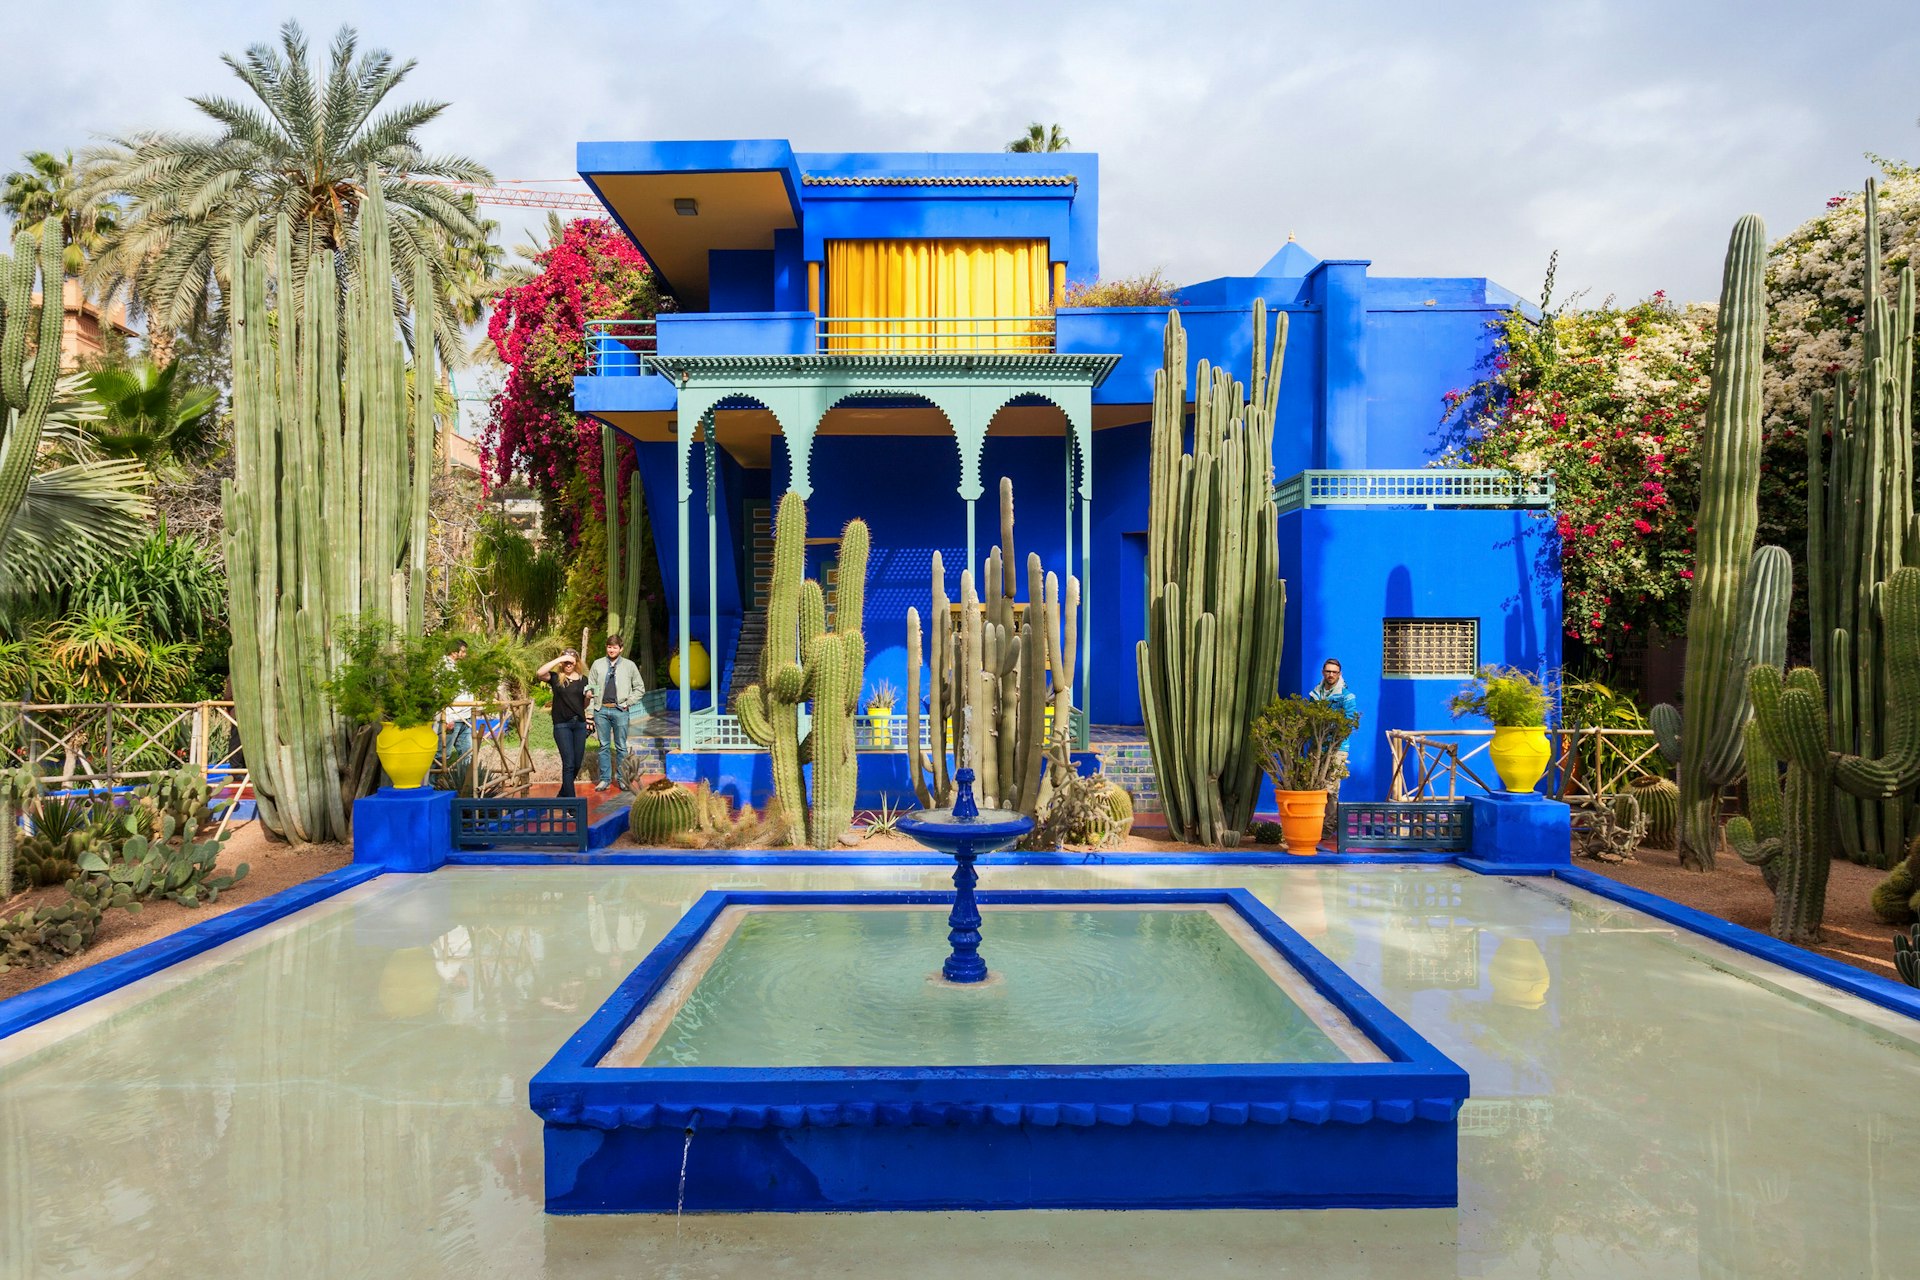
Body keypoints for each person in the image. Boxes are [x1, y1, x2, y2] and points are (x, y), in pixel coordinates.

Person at [1307, 658, 1361, 836]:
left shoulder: (1346, 696)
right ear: (1323, 672)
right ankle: (1314, 825)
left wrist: (1333, 737)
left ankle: (1327, 829)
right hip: (1317, 746)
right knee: (1314, 786)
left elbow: (1349, 722)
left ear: (1339, 674)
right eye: (1328, 671)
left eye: (1334, 672)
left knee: (1331, 789)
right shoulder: (1316, 693)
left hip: (1337, 748)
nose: (1331, 675)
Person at [586, 634, 645, 793]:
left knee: (621, 747)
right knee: (604, 746)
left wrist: (627, 703)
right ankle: (605, 779)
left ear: (621, 648)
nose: (612, 650)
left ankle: (622, 779)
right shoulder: (597, 664)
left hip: (620, 711)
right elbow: (590, 689)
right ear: (607, 647)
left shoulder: (629, 665)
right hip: (601, 710)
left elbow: (640, 688)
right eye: (609, 647)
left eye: (615, 647)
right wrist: (590, 711)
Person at [537, 649, 591, 798]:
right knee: (568, 764)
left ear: (576, 663)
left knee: (577, 764)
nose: (568, 665)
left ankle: (561, 796)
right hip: (562, 725)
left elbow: (583, 705)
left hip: (579, 724)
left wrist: (588, 698)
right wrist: (558, 659)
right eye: (565, 662)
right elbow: (539, 673)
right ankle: (571, 805)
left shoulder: (583, 680)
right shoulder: (555, 677)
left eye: (571, 662)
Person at [437, 640, 474, 769]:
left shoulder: (459, 667)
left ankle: (464, 784)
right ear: (454, 652)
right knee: (442, 754)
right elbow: (440, 693)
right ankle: (432, 784)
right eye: (462, 651)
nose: (465, 654)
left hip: (465, 717)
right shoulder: (443, 667)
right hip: (453, 717)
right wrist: (447, 717)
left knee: (467, 752)